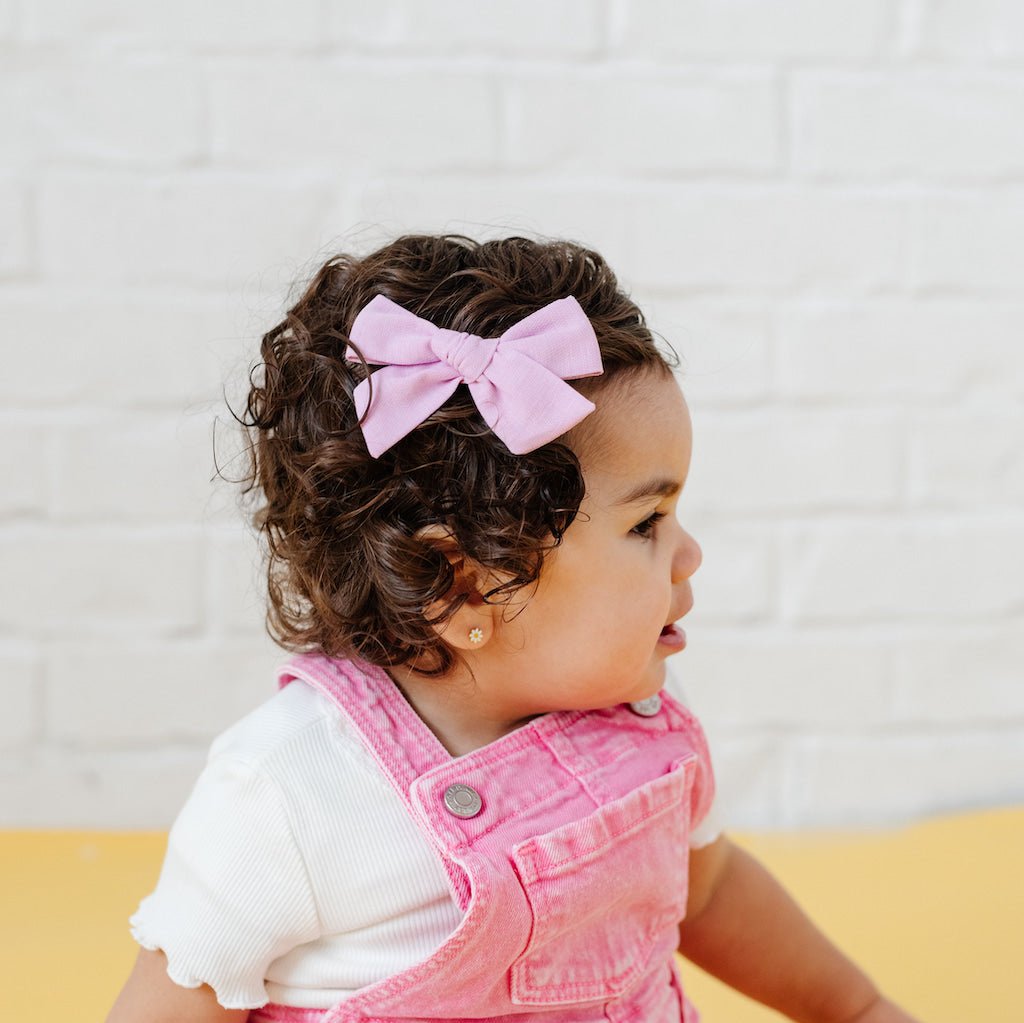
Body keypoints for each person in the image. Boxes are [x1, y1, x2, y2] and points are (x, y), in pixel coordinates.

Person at [107, 234, 921, 1023]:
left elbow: (706, 891)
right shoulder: (288, 791)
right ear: (463, 588)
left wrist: (855, 1007)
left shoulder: (643, 720)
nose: (690, 554)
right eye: (646, 523)